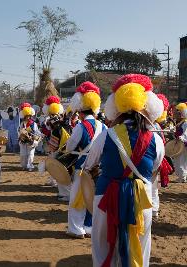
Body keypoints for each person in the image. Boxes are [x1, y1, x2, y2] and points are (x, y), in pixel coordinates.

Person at [83, 74, 165, 266]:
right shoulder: (157, 140)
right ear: (146, 107)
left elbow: (89, 165)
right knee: (140, 246)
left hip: (105, 197)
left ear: (117, 107)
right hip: (141, 199)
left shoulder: (105, 136)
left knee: (102, 246)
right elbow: (154, 167)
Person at [66, 81, 105, 238]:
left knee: (77, 198)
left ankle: (76, 229)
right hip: (98, 168)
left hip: (81, 167)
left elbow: (69, 147)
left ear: (81, 112)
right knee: (92, 197)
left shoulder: (80, 127)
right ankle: (89, 227)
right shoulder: (103, 126)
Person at [40, 96, 71, 201]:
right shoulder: (65, 125)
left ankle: (65, 194)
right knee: (64, 173)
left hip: (60, 152)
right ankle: (63, 193)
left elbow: (53, 145)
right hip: (66, 151)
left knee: (60, 173)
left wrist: (51, 151)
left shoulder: (56, 129)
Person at [151, 94, 173, 219]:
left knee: (152, 186)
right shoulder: (157, 126)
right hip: (157, 158)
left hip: (153, 158)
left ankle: (153, 209)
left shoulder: (155, 126)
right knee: (154, 186)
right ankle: (155, 209)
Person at [18, 103, 41, 172]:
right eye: (26, 116)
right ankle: (24, 165)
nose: (27, 117)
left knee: (30, 154)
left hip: (31, 141)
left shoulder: (34, 124)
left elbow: (37, 132)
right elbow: (20, 131)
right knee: (23, 154)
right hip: (23, 141)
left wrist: (34, 137)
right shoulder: (22, 123)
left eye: (28, 116)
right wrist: (21, 135)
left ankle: (30, 166)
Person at [173, 102, 187, 183]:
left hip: (183, 144)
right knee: (180, 160)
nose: (177, 113)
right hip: (180, 144)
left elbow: (186, 132)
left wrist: (182, 138)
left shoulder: (185, 122)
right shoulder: (181, 122)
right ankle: (182, 176)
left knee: (181, 161)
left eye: (179, 112)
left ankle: (182, 177)